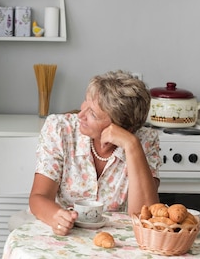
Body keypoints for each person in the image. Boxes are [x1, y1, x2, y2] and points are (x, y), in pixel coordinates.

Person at [28, 70, 161, 236]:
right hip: (68, 234)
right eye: (86, 102)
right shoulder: (60, 129)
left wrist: (131, 145)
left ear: (123, 127)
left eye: (93, 114)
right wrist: (56, 216)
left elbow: (144, 217)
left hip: (117, 239)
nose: (81, 115)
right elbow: (38, 197)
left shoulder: (145, 141)